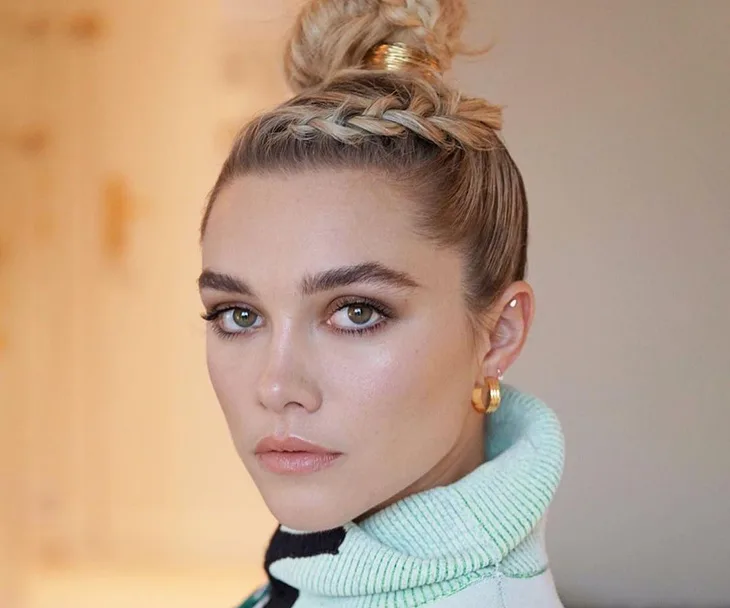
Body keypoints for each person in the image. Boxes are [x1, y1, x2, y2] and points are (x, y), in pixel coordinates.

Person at [197, 1, 565, 606]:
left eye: (357, 312)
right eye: (239, 315)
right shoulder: (323, 571)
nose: (275, 385)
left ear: (498, 335)